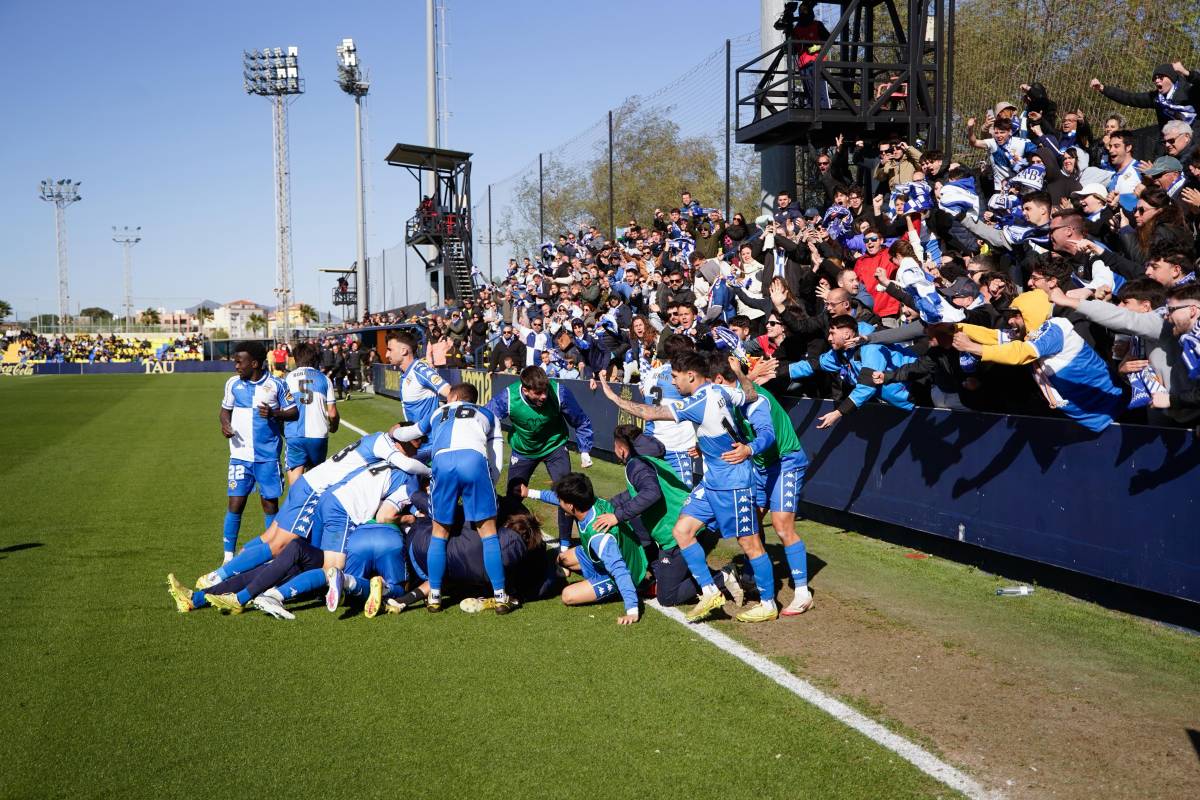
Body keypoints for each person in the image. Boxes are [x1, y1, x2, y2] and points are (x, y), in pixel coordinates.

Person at [598, 352, 782, 624]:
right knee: (682, 530)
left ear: (691, 376)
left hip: (733, 482)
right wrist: (742, 375)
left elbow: (650, 412)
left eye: (675, 377)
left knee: (749, 543)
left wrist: (614, 397)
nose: (673, 382)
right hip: (711, 483)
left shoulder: (698, 400)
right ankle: (709, 590)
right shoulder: (721, 390)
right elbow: (750, 394)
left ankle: (768, 603)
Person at [392, 383, 513, 614]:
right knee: (488, 533)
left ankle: (435, 596)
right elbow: (496, 454)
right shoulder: (487, 413)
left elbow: (411, 432)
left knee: (440, 533)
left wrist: (394, 432)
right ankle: (499, 596)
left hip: (443, 462)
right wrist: (491, 482)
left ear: (454, 396)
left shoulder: (438, 412)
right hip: (474, 461)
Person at [486, 366, 595, 550]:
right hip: (523, 451)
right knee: (513, 496)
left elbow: (581, 421)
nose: (544, 396)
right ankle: (507, 539)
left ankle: (565, 546)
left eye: (545, 390)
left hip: (555, 447)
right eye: (538, 393)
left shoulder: (559, 392)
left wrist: (584, 450)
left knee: (566, 494)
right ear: (525, 389)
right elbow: (486, 418)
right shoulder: (508, 398)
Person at [526, 473, 645, 625]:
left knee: (568, 595)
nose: (559, 502)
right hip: (611, 553)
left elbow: (619, 570)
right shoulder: (589, 501)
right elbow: (557, 497)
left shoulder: (599, 537)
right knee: (562, 558)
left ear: (570, 506)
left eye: (561, 501)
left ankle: (619, 590)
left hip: (626, 571)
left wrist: (632, 611)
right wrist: (528, 492)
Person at [217, 341, 297, 563]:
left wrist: (274, 413)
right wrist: (225, 424)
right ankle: (228, 556)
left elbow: (293, 412)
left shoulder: (276, 385)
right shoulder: (233, 384)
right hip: (239, 456)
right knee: (235, 503)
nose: (236, 366)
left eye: (239, 361)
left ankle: (273, 554)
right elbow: (225, 411)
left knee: (269, 504)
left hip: (267, 457)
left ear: (254, 363)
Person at [638, 334, 701, 486]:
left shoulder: (652, 373)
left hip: (651, 442)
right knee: (682, 499)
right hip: (675, 447)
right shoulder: (683, 377)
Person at [283, 341, 339, 485]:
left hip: (295, 434)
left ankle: (296, 505)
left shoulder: (288, 378)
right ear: (315, 358)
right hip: (318, 435)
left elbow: (282, 407)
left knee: (295, 481)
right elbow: (332, 413)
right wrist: (334, 426)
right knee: (316, 480)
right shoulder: (325, 379)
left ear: (296, 359)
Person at [388, 330, 450, 426]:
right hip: (417, 438)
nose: (387, 355)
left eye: (390, 350)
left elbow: (452, 393)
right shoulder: (405, 373)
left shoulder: (421, 370)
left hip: (430, 440)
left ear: (404, 351)